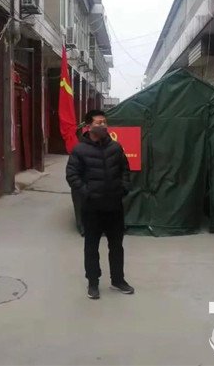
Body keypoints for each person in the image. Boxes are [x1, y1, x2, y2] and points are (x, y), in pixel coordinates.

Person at [66, 109, 133, 299]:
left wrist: (123, 188)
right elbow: (72, 175)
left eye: (104, 122)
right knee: (91, 246)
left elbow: (125, 170)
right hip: (92, 208)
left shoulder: (116, 148)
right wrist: (87, 192)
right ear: (89, 126)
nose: (103, 125)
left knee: (116, 246)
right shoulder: (79, 150)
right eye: (98, 122)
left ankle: (118, 280)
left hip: (114, 206)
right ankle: (93, 283)